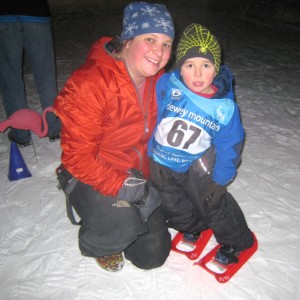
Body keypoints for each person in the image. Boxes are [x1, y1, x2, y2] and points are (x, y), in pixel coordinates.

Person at [53, 2, 175, 272]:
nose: (159, 51)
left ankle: (123, 215)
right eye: (150, 39)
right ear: (128, 40)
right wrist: (126, 187)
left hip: (137, 173)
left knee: (152, 256)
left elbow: (185, 107)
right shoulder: (90, 83)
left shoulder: (160, 81)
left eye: (167, 43)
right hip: (90, 171)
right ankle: (100, 239)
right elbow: (78, 157)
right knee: (121, 220)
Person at [148, 23, 254, 265]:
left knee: (211, 201)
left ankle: (237, 241)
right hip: (163, 165)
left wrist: (220, 179)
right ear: (180, 68)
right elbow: (155, 116)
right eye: (189, 65)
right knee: (171, 205)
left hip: (198, 164)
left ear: (215, 69)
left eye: (205, 65)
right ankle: (195, 226)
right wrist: (151, 154)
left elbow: (231, 145)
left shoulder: (223, 109)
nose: (197, 74)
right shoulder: (167, 85)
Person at [0, 0, 61, 147]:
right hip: (36, 12)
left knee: (10, 77)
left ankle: (20, 134)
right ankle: (55, 128)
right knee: (46, 75)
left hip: (5, 13)